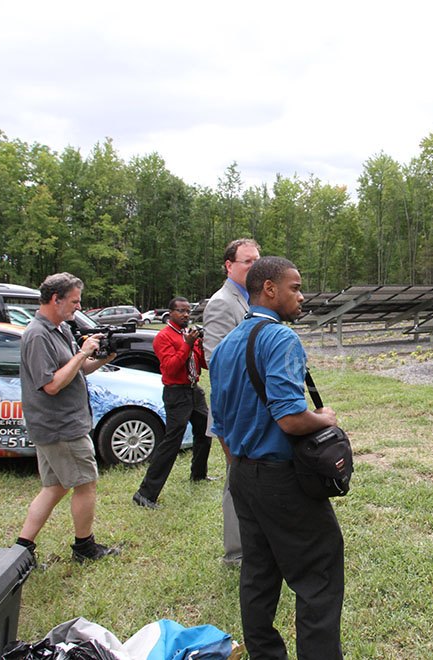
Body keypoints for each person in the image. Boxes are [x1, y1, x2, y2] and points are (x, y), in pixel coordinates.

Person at [209, 256, 344, 659]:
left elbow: (220, 421)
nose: (301, 296)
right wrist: (323, 418)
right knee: (318, 574)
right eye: (295, 287)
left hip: (243, 476)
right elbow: (288, 417)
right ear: (269, 289)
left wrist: (238, 467)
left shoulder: (225, 345)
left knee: (258, 573)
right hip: (282, 480)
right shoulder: (280, 338)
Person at [15, 272, 121, 563]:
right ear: (55, 299)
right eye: (74, 301)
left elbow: (80, 370)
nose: (78, 306)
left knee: (54, 487)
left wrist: (103, 356)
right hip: (61, 426)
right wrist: (81, 353)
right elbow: (50, 384)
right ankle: (84, 548)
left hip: (59, 424)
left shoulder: (58, 328)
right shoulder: (37, 335)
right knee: (85, 484)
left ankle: (21, 549)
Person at [203, 238, 261, 565]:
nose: (254, 266)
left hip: (252, 407)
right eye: (247, 262)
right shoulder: (223, 302)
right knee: (236, 479)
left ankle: (252, 543)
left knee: (251, 477)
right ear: (229, 265)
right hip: (235, 409)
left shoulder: (249, 299)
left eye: (257, 260)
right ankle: (237, 552)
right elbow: (216, 360)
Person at [132, 296, 211, 510]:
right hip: (176, 394)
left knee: (205, 432)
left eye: (188, 311)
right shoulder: (163, 337)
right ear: (170, 313)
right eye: (181, 311)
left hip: (194, 391)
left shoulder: (188, 334)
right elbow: (170, 368)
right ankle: (145, 493)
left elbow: (202, 364)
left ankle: (198, 474)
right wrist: (186, 345)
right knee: (171, 443)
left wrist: (200, 346)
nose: (186, 315)